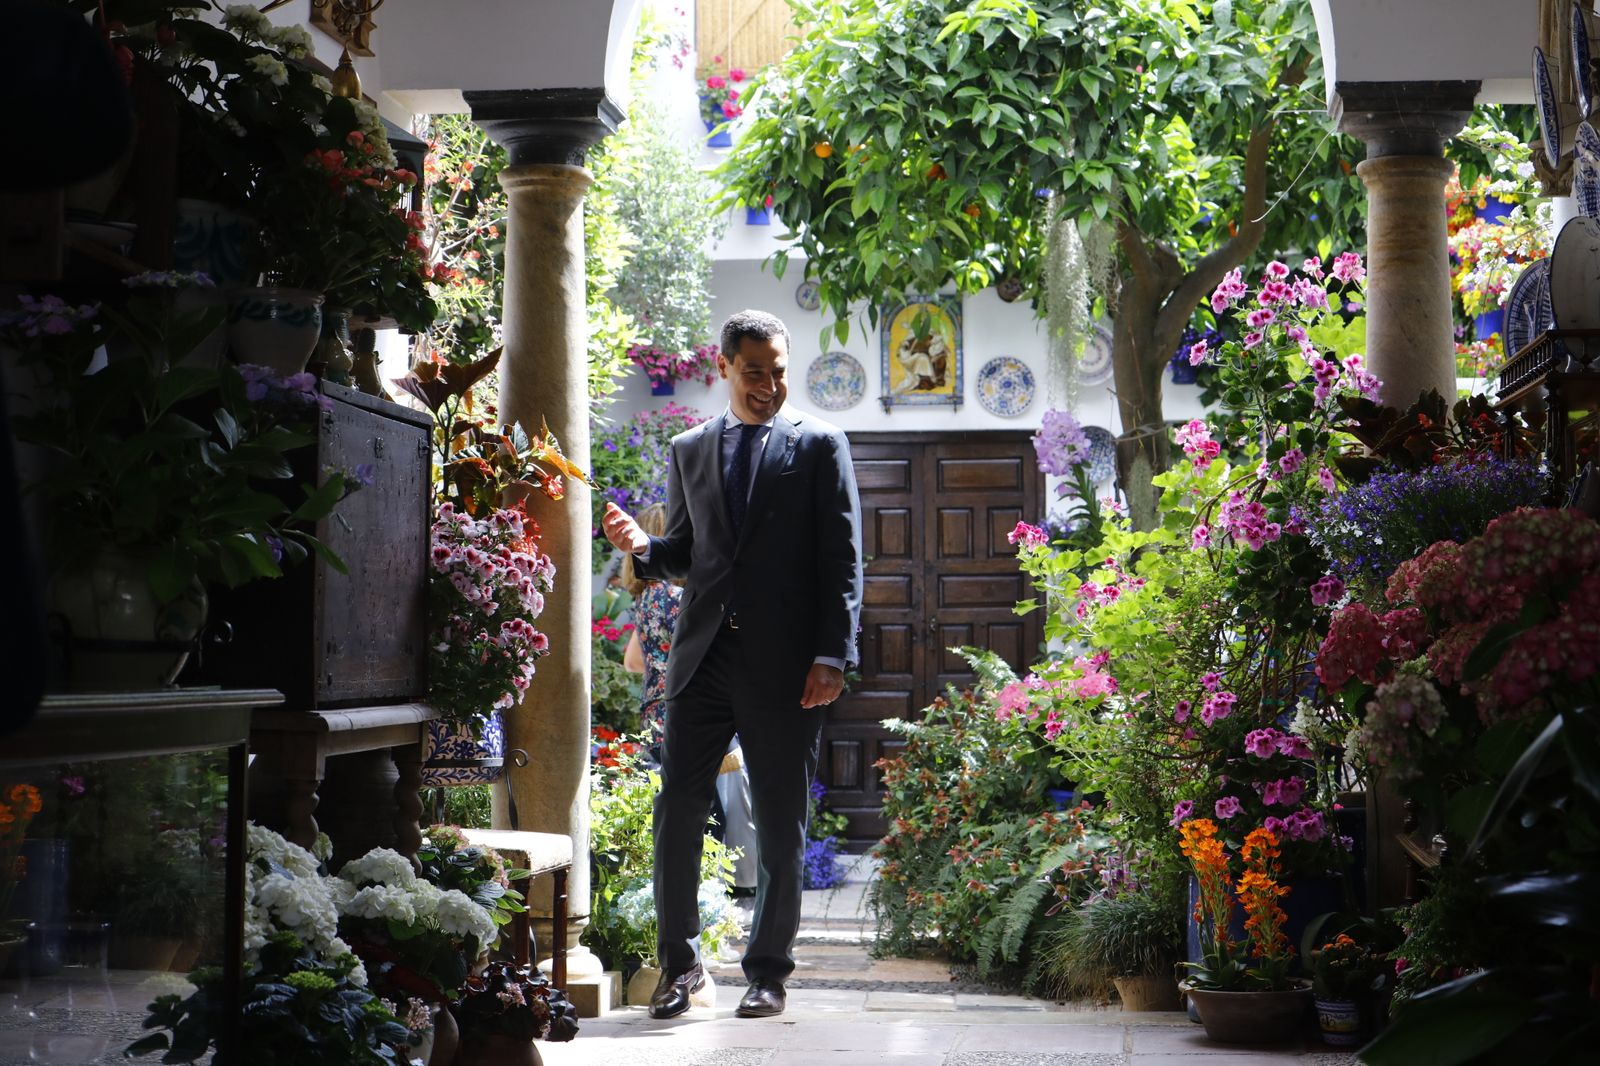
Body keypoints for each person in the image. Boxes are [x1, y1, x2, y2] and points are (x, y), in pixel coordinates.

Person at [602, 309, 864, 1020]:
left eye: (778, 372)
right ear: (724, 368)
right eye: (755, 372)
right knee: (677, 813)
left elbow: (842, 562)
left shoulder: (820, 446)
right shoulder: (689, 449)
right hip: (702, 661)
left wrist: (832, 654)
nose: (769, 385)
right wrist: (642, 548)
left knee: (780, 823)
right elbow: (686, 554)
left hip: (786, 667)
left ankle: (768, 972)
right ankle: (680, 969)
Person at [621, 504, 759, 896]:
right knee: (706, 811)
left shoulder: (647, 598)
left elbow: (633, 662)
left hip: (654, 715)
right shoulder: (680, 596)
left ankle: (696, 896)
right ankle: (712, 895)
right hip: (687, 710)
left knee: (681, 808)